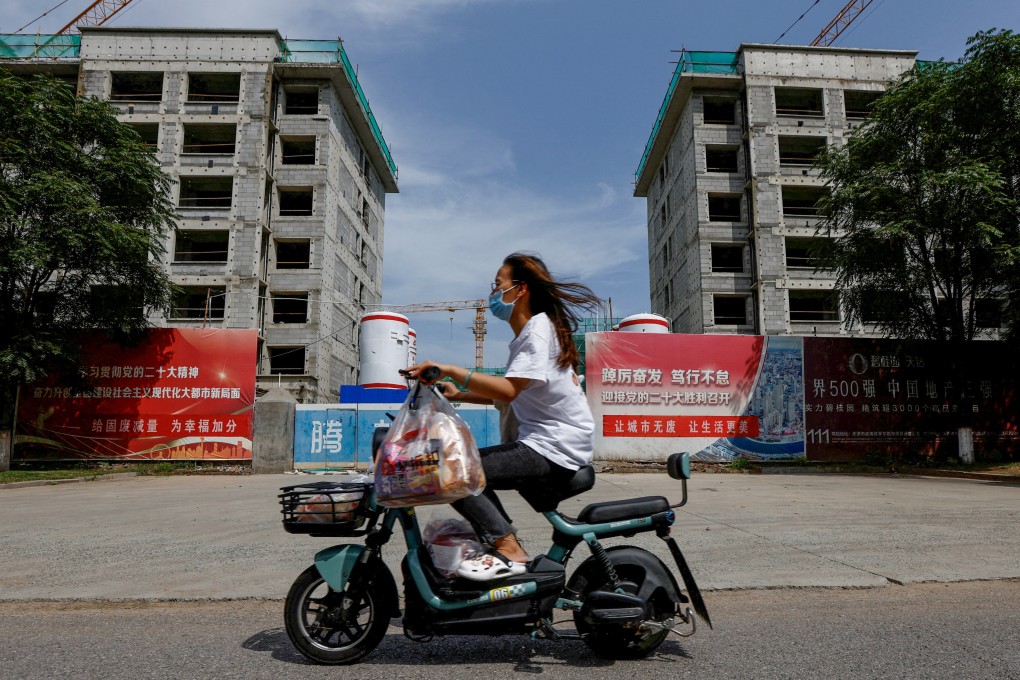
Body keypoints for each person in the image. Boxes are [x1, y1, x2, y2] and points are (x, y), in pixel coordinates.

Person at [404, 252, 601, 581]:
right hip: (551, 443)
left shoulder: (537, 332)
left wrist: (453, 369)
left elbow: (509, 390)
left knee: (455, 469)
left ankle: (508, 549)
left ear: (520, 290)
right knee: (463, 467)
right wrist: (460, 392)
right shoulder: (531, 334)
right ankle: (502, 547)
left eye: (498, 285)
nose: (493, 294)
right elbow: (515, 392)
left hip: (554, 447)